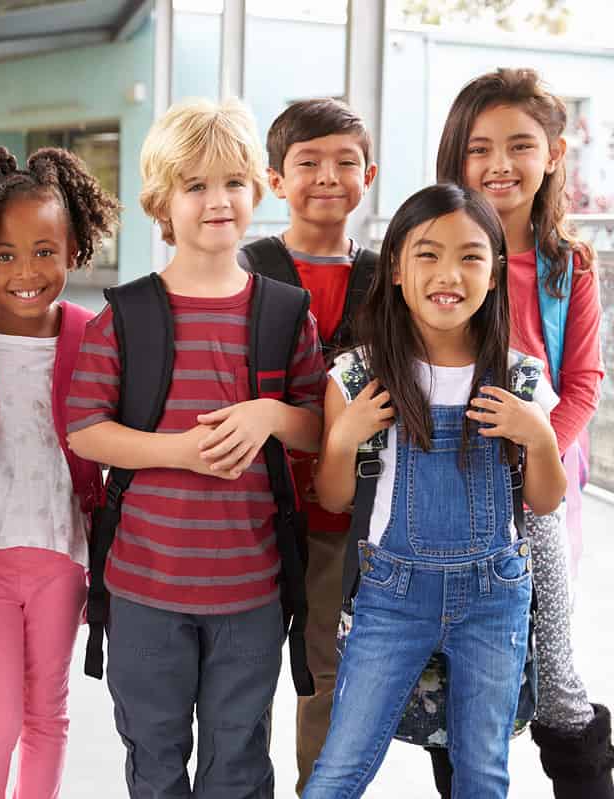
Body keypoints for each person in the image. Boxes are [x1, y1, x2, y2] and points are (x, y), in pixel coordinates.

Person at [67, 98, 327, 798]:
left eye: (234, 183)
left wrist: (271, 412)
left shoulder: (283, 312)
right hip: (146, 588)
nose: (218, 201)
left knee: (238, 762)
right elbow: (87, 430)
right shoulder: (125, 315)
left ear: (258, 190)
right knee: (154, 759)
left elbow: (318, 424)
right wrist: (178, 451)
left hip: (253, 590)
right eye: (196, 186)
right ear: (162, 202)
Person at [302, 182, 566, 799]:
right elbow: (335, 498)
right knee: (341, 767)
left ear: (495, 274)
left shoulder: (521, 376)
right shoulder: (360, 373)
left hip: (495, 597)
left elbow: (546, 500)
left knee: (483, 772)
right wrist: (344, 439)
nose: (449, 272)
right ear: (395, 268)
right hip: (390, 596)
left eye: (471, 256)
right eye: (427, 253)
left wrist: (540, 439)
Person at [433, 67, 610, 798]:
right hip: (449, 496)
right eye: (480, 148)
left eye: (520, 145)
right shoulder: (431, 253)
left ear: (554, 153)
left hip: (539, 496)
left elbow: (583, 384)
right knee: (461, 672)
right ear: (457, 157)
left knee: (556, 662)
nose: (499, 165)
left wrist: (537, 443)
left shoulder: (568, 267)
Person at [0, 145, 118, 799]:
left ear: (74, 248)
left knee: (48, 716)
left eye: (45, 250)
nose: (25, 271)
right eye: (4, 254)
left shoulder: (91, 332)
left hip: (63, 557)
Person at [246, 97, 379, 794]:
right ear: (274, 179)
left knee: (327, 671)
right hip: (252, 512)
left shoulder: (389, 277)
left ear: (371, 174)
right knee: (243, 672)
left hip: (344, 518)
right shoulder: (245, 269)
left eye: (346, 162)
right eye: (307, 163)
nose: (328, 176)